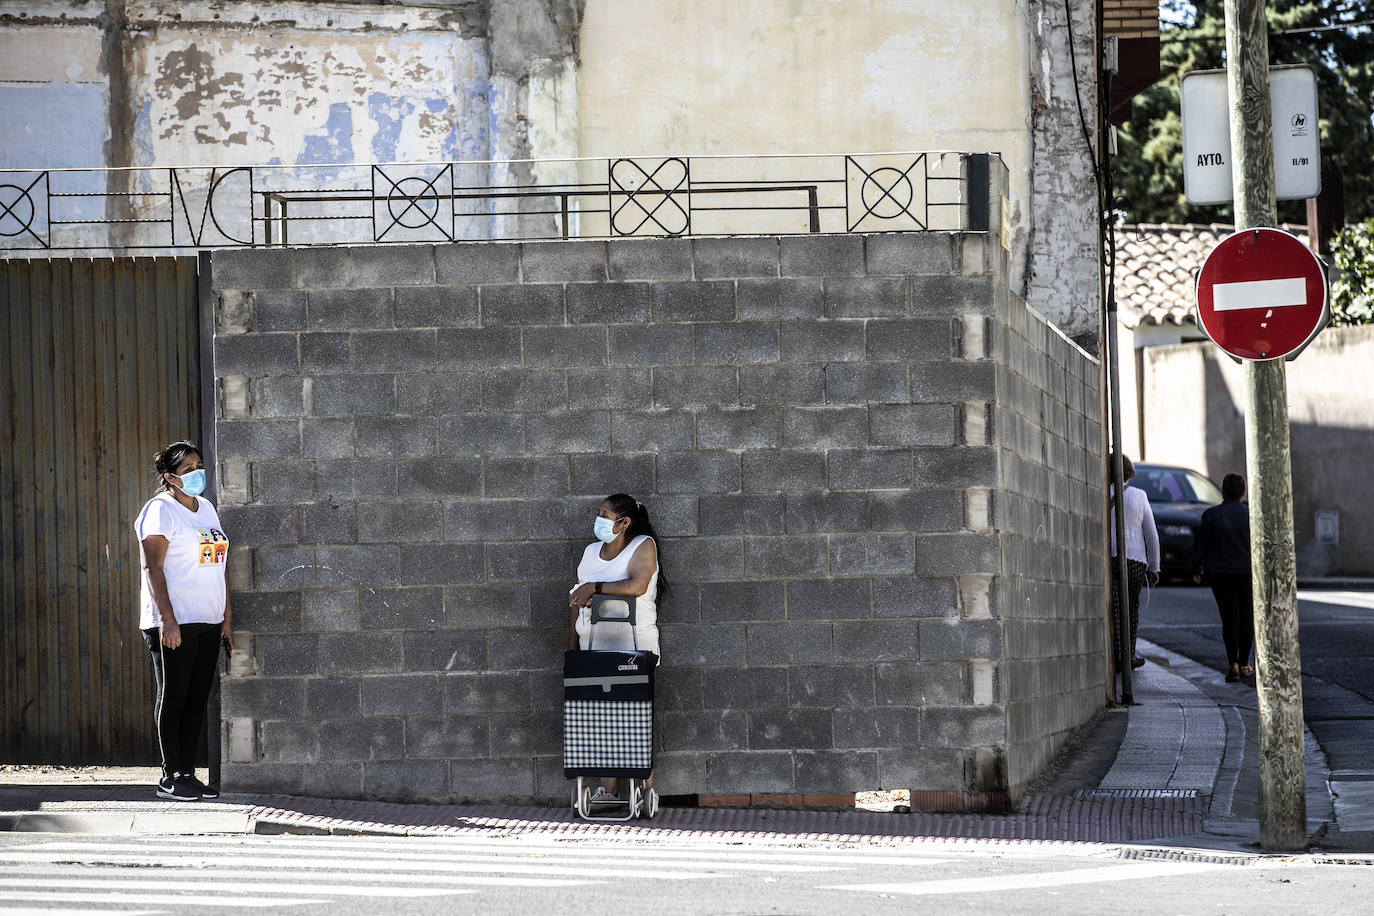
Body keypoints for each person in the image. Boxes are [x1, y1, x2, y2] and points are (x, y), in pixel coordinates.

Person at [136, 441, 234, 801]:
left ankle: (188, 774)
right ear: (169, 477)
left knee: (196, 698)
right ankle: (170, 775)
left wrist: (225, 618)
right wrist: (167, 621)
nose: (197, 473)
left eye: (199, 465)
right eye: (188, 469)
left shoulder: (206, 508)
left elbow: (218, 562)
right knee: (174, 695)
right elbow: (152, 567)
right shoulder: (159, 510)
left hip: (208, 618)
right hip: (175, 620)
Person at [567, 493, 667, 803]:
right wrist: (572, 646)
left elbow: (637, 586)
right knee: (597, 719)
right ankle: (606, 791)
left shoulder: (642, 546)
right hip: (593, 646)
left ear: (623, 522)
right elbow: (575, 601)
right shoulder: (590, 552)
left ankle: (645, 788)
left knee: (634, 716)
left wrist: (594, 589)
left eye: (604, 514)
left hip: (633, 648)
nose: (597, 519)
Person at [1193, 473, 1254, 682]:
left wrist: (1195, 569)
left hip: (1220, 573)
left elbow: (1201, 545)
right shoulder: (1251, 514)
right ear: (1242, 492)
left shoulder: (1211, 515)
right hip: (1247, 572)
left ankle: (1232, 663)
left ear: (1223, 491)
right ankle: (1245, 662)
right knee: (1246, 617)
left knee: (1229, 618)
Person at [1110, 456, 1160, 670]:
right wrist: (1155, 566)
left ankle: (1116, 654)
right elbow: (1151, 533)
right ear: (1129, 471)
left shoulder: (1103, 494)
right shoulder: (1140, 496)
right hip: (1136, 561)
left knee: (1115, 607)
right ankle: (1129, 654)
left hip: (1110, 558)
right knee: (1131, 607)